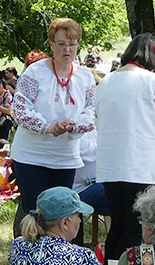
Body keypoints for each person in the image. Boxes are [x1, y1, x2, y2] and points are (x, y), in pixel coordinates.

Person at [95, 33, 155, 263]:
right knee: (136, 227)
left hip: (109, 165)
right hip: (139, 163)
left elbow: (96, 117)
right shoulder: (152, 81)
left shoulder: (106, 82)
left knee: (118, 222)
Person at [10, 17, 96, 215]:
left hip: (66, 156)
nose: (67, 49)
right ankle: (32, 246)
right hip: (32, 156)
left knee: (62, 213)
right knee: (36, 213)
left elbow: (92, 110)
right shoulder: (35, 72)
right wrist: (47, 127)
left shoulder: (85, 76)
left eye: (72, 44)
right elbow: (21, 108)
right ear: (51, 44)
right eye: (62, 44)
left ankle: (59, 247)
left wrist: (74, 125)